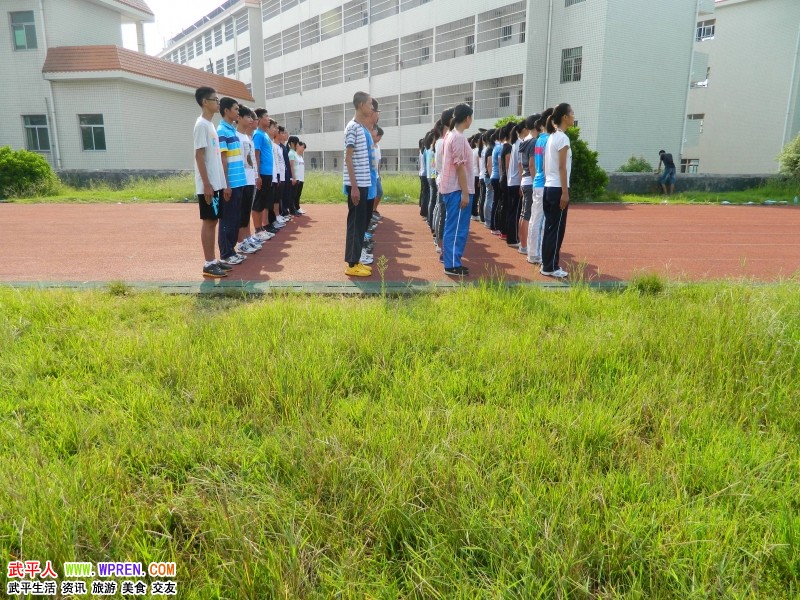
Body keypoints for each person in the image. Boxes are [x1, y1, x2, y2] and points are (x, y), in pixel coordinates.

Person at [193, 87, 229, 278]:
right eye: (214, 100)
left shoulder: (210, 125)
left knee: (213, 221)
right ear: (205, 102)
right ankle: (208, 263)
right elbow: (198, 155)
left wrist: (220, 184)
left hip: (215, 183)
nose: (218, 103)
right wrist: (206, 183)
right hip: (208, 185)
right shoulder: (201, 125)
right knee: (209, 221)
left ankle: (213, 260)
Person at [439, 103, 474, 276]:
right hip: (457, 189)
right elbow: (460, 166)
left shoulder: (450, 135)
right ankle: (452, 264)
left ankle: (451, 261)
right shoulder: (458, 137)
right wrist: (466, 192)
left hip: (451, 188)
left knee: (452, 226)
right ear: (467, 118)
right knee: (457, 227)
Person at [541, 103, 575, 279]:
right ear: (564, 117)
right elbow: (562, 167)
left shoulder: (552, 137)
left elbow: (549, 165)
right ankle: (551, 266)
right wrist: (565, 192)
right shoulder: (562, 138)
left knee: (550, 228)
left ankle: (546, 264)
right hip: (557, 188)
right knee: (556, 229)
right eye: (572, 113)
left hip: (549, 187)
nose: (573, 116)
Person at [342, 91, 374, 277]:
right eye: (370, 104)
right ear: (361, 105)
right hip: (357, 185)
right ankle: (352, 265)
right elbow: (348, 157)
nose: (371, 108)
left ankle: (356, 260)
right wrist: (353, 186)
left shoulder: (361, 128)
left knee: (361, 223)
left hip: (363, 183)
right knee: (355, 223)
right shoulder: (352, 127)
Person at [216, 97, 247, 266]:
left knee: (235, 218)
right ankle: (226, 253)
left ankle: (232, 250)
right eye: (235, 109)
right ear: (226, 111)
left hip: (239, 181)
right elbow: (223, 158)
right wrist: (226, 184)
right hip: (231, 184)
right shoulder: (222, 131)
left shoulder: (232, 131)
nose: (237, 112)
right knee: (227, 219)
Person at [234, 105, 263, 256]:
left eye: (253, 118)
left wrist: (256, 175)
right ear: (239, 118)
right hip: (242, 180)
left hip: (251, 179)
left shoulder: (248, 138)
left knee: (245, 212)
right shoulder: (235, 136)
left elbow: (252, 160)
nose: (252, 120)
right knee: (241, 212)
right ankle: (241, 242)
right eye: (249, 117)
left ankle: (246, 238)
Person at [251, 109, 277, 240]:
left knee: (263, 202)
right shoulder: (258, 135)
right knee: (258, 202)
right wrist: (257, 175)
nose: (268, 118)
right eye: (266, 116)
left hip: (267, 173)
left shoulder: (265, 135)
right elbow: (256, 155)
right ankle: (257, 230)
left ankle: (261, 228)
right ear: (259, 119)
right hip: (261, 173)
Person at [518, 113, 540, 257]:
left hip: (524, 179)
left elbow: (521, 165)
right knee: (527, 215)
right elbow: (532, 164)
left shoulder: (523, 142)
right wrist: (535, 182)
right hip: (530, 180)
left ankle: (522, 243)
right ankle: (524, 245)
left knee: (523, 214)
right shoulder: (533, 142)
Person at [418, 137, 429, 219]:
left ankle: (421, 205)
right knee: (426, 194)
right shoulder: (426, 151)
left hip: (422, 173)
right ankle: (424, 211)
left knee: (424, 192)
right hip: (426, 174)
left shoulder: (421, 151)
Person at [294, 141, 306, 214]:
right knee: (294, 195)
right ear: (298, 146)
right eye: (303, 147)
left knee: (298, 194)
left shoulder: (301, 157)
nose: (303, 149)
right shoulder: (294, 155)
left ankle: (297, 207)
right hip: (296, 178)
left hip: (301, 178)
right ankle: (294, 208)